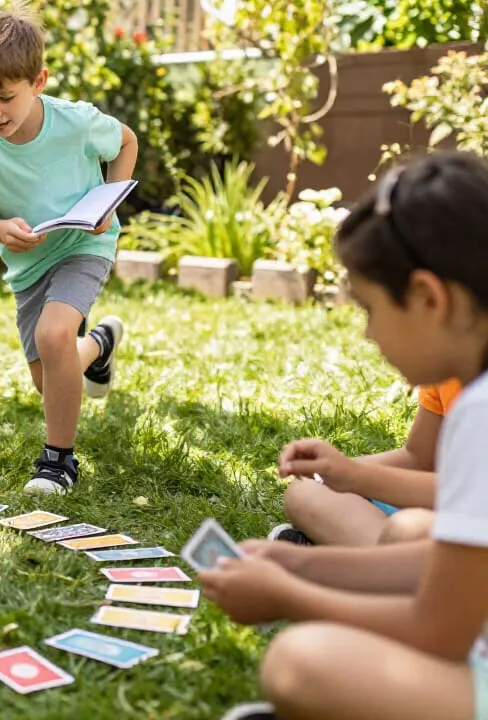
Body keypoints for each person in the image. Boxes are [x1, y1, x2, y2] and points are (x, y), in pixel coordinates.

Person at [201, 151, 488, 720]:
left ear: (430, 298)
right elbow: (444, 564)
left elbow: (437, 628)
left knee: (301, 662)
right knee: (405, 535)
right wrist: (297, 566)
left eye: (371, 309)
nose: (367, 333)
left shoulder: (480, 411)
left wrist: (290, 596)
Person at [0, 6, 138, 495]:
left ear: (39, 81)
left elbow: (126, 143)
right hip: (28, 262)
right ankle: (98, 345)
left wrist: (108, 202)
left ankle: (58, 463)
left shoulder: (74, 122)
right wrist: (0, 229)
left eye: (6, 97)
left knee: (54, 338)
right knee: (49, 379)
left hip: (84, 243)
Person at [269, 377, 460, 547]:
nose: (370, 336)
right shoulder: (447, 377)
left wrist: (356, 476)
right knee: (308, 489)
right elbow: (419, 458)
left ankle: (380, 569)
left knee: (409, 531)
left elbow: (473, 495)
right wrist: (334, 470)